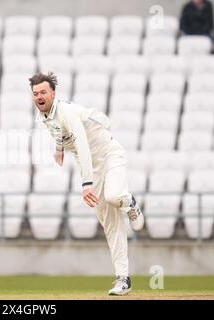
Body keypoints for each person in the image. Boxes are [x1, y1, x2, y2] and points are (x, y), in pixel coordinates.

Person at [29, 72, 144, 296]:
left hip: (110, 155)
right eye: (35, 94)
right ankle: (123, 279)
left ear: (53, 93)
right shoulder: (43, 117)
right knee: (110, 224)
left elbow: (81, 145)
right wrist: (59, 151)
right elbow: (58, 132)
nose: (39, 97)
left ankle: (129, 202)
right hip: (93, 167)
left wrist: (86, 184)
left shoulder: (66, 112)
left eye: (43, 92)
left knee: (113, 196)